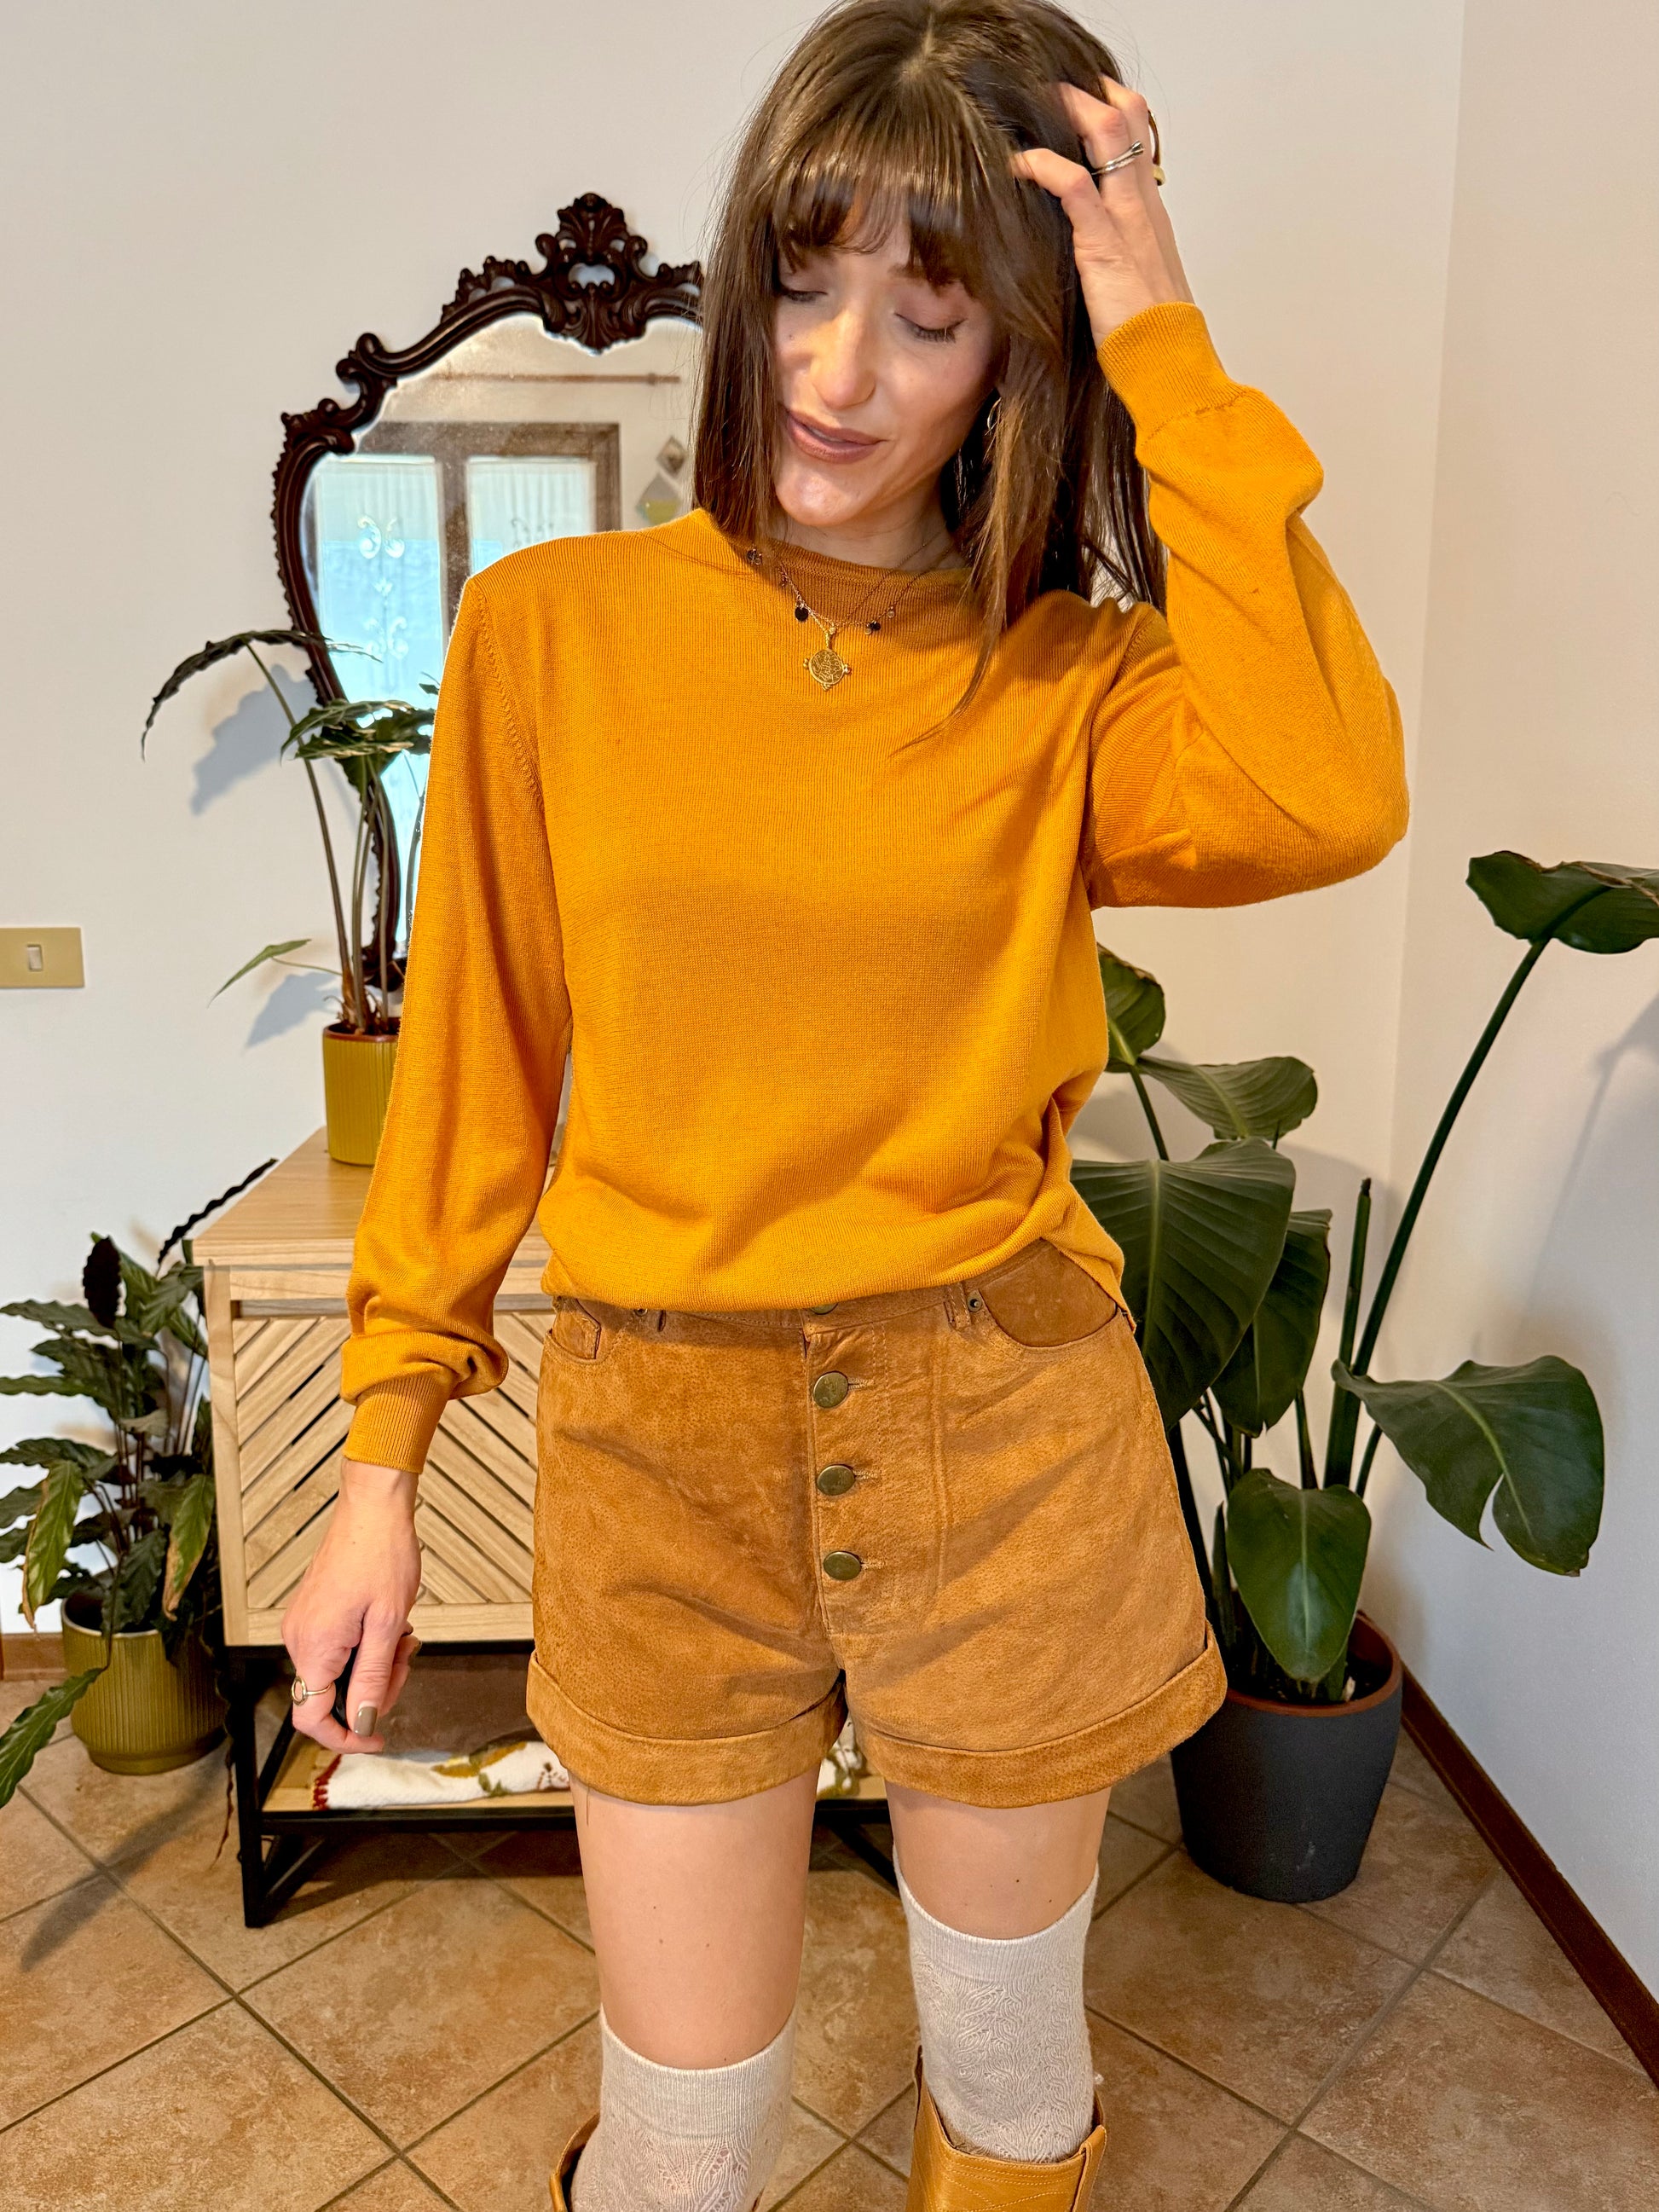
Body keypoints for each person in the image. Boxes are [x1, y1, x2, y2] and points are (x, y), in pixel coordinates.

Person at [280, 3, 1408, 2204]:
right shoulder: (553, 635)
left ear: (1017, 360)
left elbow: (1328, 787)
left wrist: (1164, 342)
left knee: (1007, 2083)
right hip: (657, 1446)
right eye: (800, 285)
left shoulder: (1064, 679)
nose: (833, 370)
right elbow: (476, 1070)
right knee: (685, 2129)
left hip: (1001, 1422)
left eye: (930, 316)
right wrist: (381, 1462)